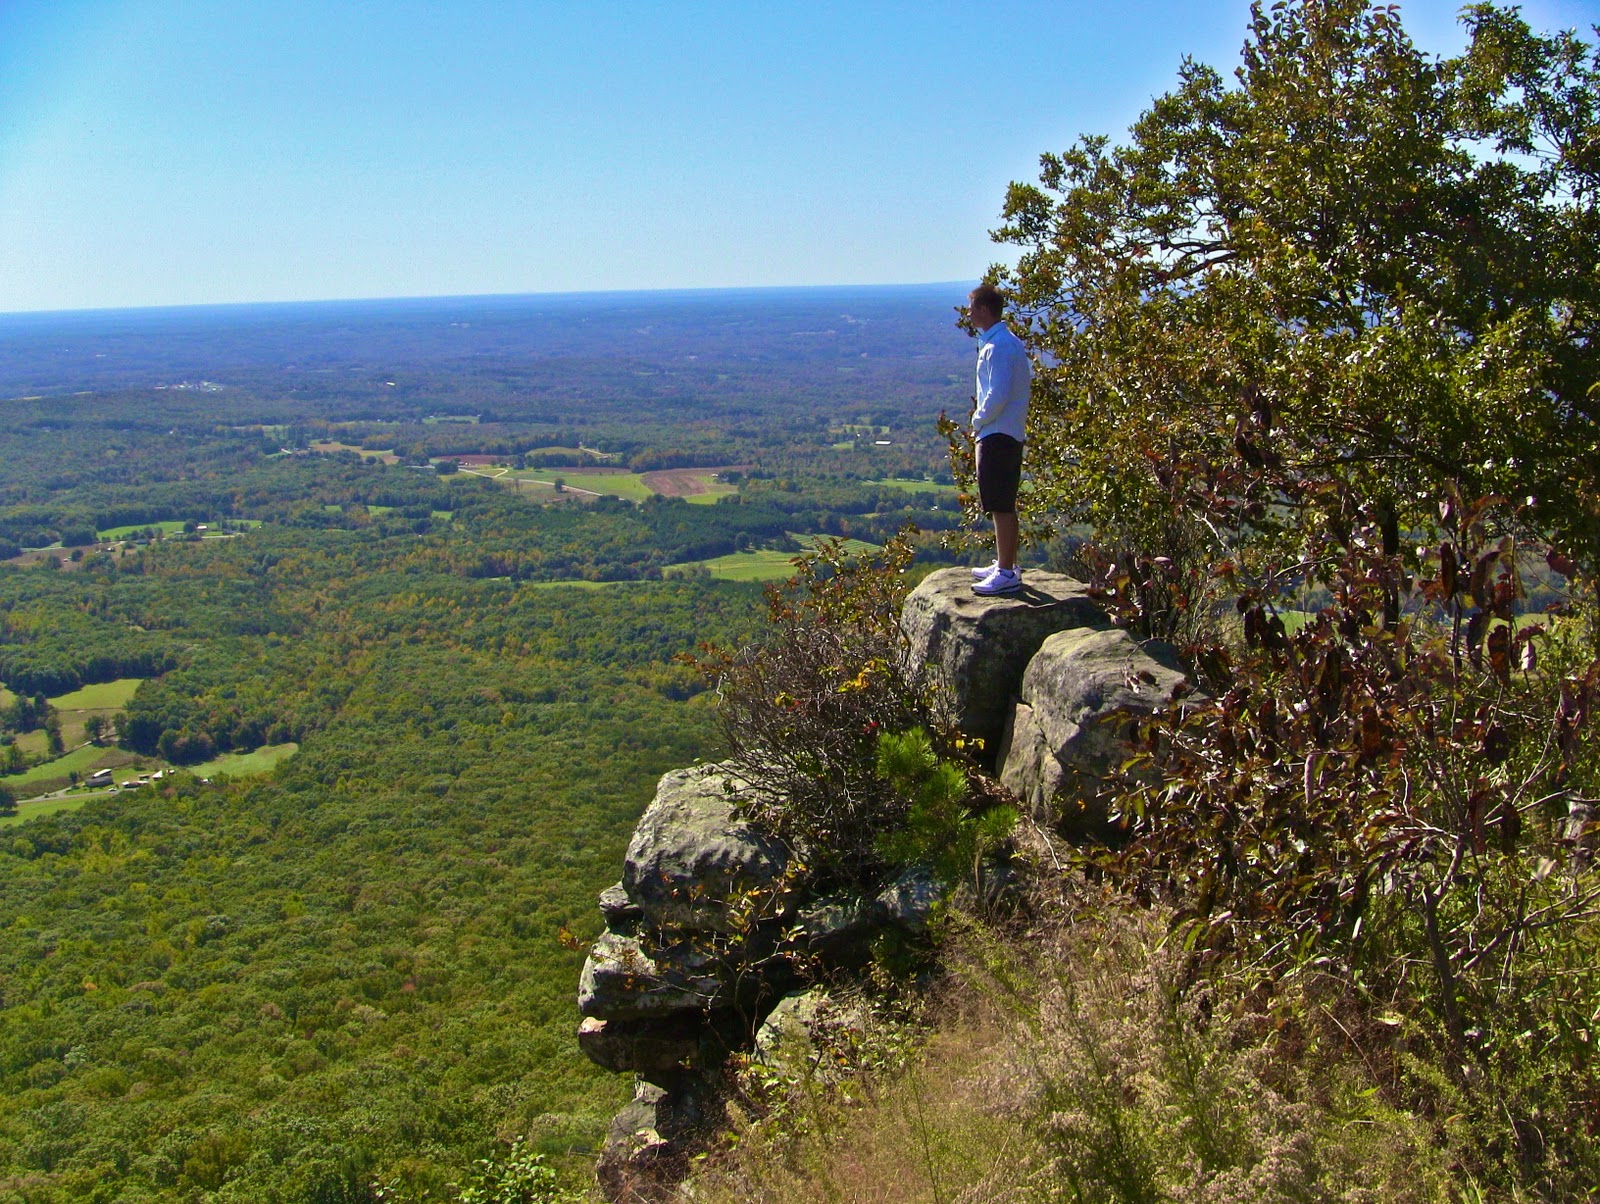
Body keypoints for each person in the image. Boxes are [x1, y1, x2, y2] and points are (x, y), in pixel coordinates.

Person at [966, 283, 1030, 595]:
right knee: (1000, 502)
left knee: (1001, 503)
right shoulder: (1003, 342)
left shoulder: (998, 346)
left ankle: (1006, 572)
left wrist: (977, 419)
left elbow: (999, 394)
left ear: (985, 310)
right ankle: (1006, 563)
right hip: (1004, 431)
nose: (969, 313)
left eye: (973, 307)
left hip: (998, 433)